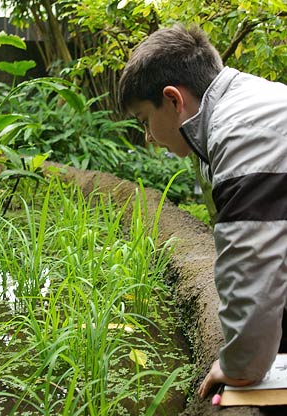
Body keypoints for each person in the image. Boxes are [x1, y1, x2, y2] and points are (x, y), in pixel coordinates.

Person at [118, 23, 287, 398]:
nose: (148, 136)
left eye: (145, 120)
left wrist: (239, 366)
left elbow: (252, 257)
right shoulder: (241, 107)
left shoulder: (242, 130)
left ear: (173, 100)